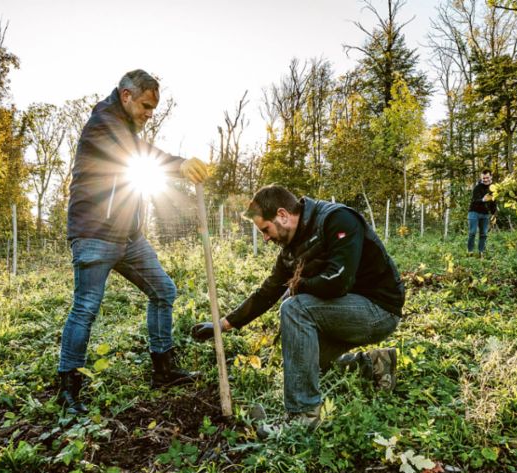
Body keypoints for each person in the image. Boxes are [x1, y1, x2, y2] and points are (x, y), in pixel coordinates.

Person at [56, 69, 210, 414]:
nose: (148, 113)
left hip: (127, 236)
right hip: (94, 233)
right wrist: (180, 164)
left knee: (163, 290)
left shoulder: (122, 124)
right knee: (86, 308)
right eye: (145, 105)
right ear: (126, 96)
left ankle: (163, 369)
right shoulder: (104, 123)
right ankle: (68, 388)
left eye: (153, 108)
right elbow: (136, 154)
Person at [191, 185, 405, 429]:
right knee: (305, 361)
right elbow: (267, 291)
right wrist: (223, 324)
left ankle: (303, 416)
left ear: (282, 215)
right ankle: (375, 363)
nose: (266, 238)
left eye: (265, 230)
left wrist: (298, 285)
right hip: (343, 311)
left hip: (379, 310)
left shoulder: (338, 220)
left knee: (294, 307)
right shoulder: (290, 249)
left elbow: (338, 282)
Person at [467, 170, 496, 255]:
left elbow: (493, 202)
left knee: (483, 233)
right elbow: (474, 200)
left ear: (491, 177)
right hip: (474, 212)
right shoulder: (477, 188)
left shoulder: (493, 188)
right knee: (472, 232)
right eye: (483, 178)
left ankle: (481, 252)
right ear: (481, 178)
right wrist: (483, 200)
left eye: (487, 177)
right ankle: (470, 251)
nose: (485, 179)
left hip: (485, 213)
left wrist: (494, 214)